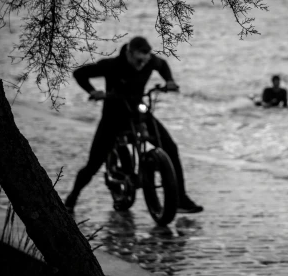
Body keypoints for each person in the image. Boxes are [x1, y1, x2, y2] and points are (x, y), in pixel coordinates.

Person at [64, 36, 203, 214]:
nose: (142, 65)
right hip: (113, 117)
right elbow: (80, 74)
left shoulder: (150, 61)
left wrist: (169, 81)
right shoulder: (112, 65)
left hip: (139, 114)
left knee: (171, 148)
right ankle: (72, 198)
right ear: (129, 53)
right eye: (138, 61)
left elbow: (162, 65)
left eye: (145, 61)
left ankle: (180, 199)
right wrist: (93, 91)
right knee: (94, 164)